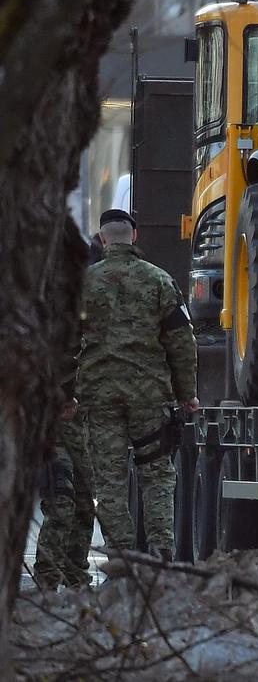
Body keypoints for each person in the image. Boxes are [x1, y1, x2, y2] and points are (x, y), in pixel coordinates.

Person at [79, 209, 198, 563]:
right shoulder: (160, 281)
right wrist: (186, 393)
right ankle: (161, 552)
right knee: (157, 473)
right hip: (150, 397)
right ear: (134, 236)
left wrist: (64, 390)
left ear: (102, 240)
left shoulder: (85, 284)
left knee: (110, 479)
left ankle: (122, 556)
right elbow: (181, 341)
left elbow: (63, 340)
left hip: (99, 398)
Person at [32, 236, 105, 589]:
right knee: (60, 498)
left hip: (75, 418)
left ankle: (75, 572)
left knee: (83, 500)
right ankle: (47, 575)